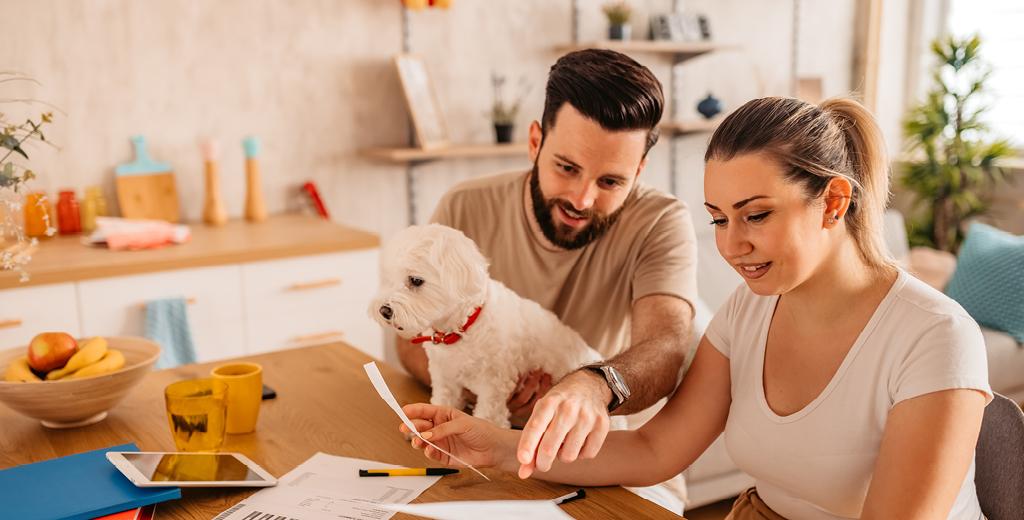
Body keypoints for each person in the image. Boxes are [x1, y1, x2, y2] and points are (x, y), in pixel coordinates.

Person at [399, 96, 993, 519]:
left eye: (756, 215)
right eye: (719, 219)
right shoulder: (748, 311)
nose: (732, 245)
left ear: (834, 202)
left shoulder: (934, 338)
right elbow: (654, 449)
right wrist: (499, 447)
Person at [396, 49, 699, 476]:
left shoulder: (660, 221)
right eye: (567, 167)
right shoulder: (465, 207)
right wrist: (478, 386)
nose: (583, 199)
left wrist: (593, 386)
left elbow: (666, 346)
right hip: (474, 443)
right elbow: (411, 332)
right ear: (535, 142)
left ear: (640, 169)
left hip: (601, 460)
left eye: (611, 181)